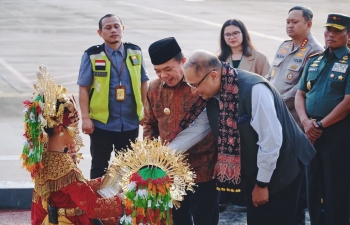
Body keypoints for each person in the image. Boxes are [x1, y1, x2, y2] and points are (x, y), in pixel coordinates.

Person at [182, 50, 316, 225]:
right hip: (259, 165)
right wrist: (161, 155)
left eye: (195, 85)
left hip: (284, 165)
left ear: (213, 76)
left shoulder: (254, 89)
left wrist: (262, 184)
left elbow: (271, 141)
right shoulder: (213, 94)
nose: (194, 92)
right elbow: (195, 130)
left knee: (278, 219)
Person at [21, 65, 123, 225]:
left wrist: (105, 180)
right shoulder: (65, 168)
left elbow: (72, 189)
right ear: (61, 129)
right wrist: (125, 200)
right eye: (74, 127)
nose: (77, 133)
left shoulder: (43, 158)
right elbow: (93, 207)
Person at [143, 37, 219, 225]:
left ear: (183, 62)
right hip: (170, 173)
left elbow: (219, 125)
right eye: (158, 71)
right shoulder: (153, 89)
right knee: (175, 220)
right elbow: (149, 124)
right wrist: (150, 157)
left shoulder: (200, 85)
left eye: (168, 69)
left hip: (204, 169)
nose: (163, 75)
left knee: (206, 219)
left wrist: (222, 159)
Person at [77, 14, 149, 179]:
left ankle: (124, 203)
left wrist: (146, 111)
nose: (113, 30)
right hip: (102, 124)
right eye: (108, 28)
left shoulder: (135, 52)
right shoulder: (92, 55)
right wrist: (86, 118)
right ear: (100, 33)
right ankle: (97, 204)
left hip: (130, 123)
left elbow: (143, 82)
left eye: (116, 26)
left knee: (128, 168)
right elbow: (83, 88)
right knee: (99, 166)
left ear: (122, 29)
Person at [295, 13, 350, 225]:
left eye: (337, 30)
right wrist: (306, 123)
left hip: (336, 135)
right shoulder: (315, 60)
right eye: (328, 29)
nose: (331, 34)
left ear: (348, 35)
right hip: (310, 133)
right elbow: (300, 94)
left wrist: (319, 125)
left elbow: (347, 102)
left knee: (336, 189)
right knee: (313, 186)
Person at [266, 6, 324, 128]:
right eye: (288, 22)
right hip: (271, 109)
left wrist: (275, 103)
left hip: (290, 117)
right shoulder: (285, 46)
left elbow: (302, 87)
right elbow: (270, 76)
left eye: (295, 22)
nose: (290, 25)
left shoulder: (315, 51)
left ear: (309, 24)